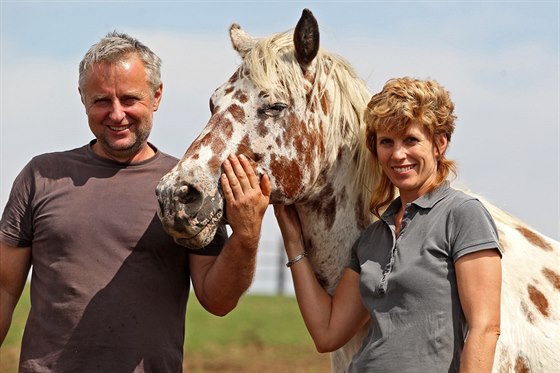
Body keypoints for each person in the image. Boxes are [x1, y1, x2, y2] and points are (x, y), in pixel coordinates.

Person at [0, 31, 270, 372]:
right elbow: (4, 290)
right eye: (101, 101)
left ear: (156, 96)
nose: (116, 114)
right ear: (82, 98)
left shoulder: (188, 188)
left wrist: (247, 236)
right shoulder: (41, 175)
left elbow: (218, 300)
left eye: (129, 99)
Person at [275, 77, 502, 372]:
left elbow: (485, 328)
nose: (398, 154)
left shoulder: (462, 215)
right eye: (386, 142)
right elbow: (327, 332)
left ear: (439, 143)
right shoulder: (373, 238)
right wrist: (293, 242)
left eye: (410, 140)